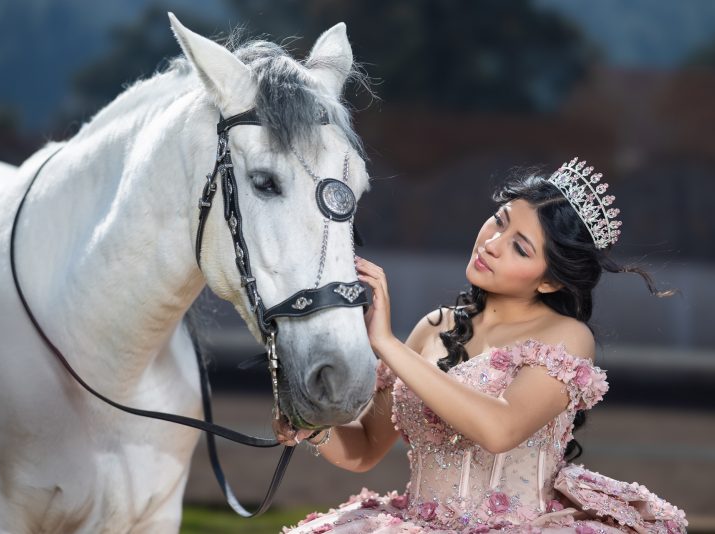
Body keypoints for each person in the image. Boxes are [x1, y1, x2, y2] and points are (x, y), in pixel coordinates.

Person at [278, 158, 688, 533]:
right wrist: (312, 425)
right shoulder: (433, 326)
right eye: (498, 220)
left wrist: (385, 342)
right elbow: (365, 449)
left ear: (549, 281)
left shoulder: (566, 338)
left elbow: (499, 429)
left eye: (519, 247)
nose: (492, 242)